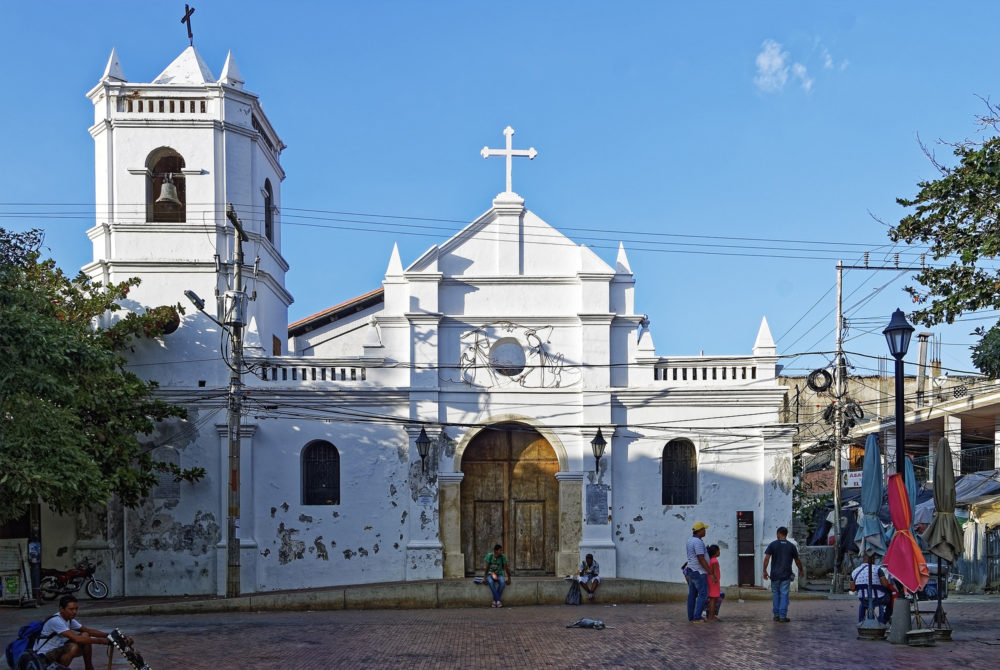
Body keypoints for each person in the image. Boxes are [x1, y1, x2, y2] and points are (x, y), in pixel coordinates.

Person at [34, 594, 111, 670]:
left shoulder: (69, 619)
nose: (74, 612)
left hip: (58, 649)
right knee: (73, 647)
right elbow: (77, 639)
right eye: (71, 609)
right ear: (61, 609)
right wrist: (102, 641)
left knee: (85, 635)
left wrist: (109, 636)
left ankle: (89, 667)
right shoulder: (56, 621)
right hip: (45, 656)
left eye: (76, 609)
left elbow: (88, 631)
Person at [762, 526, 805, 623]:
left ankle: (776, 615)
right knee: (784, 595)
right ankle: (782, 616)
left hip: (775, 575)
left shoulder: (773, 545)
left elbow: (767, 559)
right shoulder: (791, 546)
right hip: (786, 575)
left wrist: (764, 571)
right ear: (786, 534)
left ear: (778, 534)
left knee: (776, 595)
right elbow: (797, 561)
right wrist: (801, 570)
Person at [850, 550, 894, 624]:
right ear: (873, 559)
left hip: (863, 599)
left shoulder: (854, 572)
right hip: (879, 599)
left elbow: (852, 588)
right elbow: (885, 585)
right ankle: (883, 620)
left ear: (863, 559)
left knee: (862, 604)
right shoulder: (878, 569)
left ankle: (861, 622)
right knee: (890, 597)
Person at [685, 521, 711, 623]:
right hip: (698, 571)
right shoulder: (698, 542)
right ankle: (697, 617)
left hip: (691, 570)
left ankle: (691, 616)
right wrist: (709, 571)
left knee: (692, 594)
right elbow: (701, 558)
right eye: (704, 529)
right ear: (699, 531)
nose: (705, 531)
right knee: (703, 594)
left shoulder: (690, 540)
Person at [484, 543, 512, 608]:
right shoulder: (489, 556)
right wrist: (484, 578)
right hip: (490, 574)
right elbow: (487, 568)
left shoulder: (503, 557)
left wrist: (509, 578)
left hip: (499, 574)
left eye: (502, 550)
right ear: (495, 551)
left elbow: (506, 568)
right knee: (491, 582)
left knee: (502, 582)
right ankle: (498, 601)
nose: (501, 552)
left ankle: (495, 601)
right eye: (500, 550)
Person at [706, 544, 722, 622]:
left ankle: (710, 616)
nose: (720, 552)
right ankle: (711, 616)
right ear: (716, 552)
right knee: (713, 599)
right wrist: (716, 580)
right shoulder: (715, 561)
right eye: (719, 550)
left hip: (710, 581)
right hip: (714, 582)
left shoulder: (710, 560)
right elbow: (715, 572)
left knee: (712, 598)